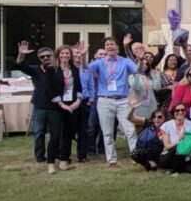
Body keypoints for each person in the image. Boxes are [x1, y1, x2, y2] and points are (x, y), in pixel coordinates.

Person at [87, 37, 140, 168]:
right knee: (107, 132)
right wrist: (83, 55)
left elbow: (138, 71)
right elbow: (85, 69)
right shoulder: (99, 62)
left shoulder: (125, 61)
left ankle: (136, 156)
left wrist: (139, 57)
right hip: (105, 100)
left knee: (130, 130)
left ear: (117, 47)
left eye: (112, 44)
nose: (110, 46)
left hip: (123, 100)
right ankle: (112, 160)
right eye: (107, 45)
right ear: (105, 48)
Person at [9, 41, 59, 166]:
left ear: (53, 55)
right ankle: (40, 156)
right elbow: (20, 64)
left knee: (56, 133)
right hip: (40, 106)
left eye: (48, 55)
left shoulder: (59, 69)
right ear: (39, 58)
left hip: (56, 106)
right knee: (39, 133)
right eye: (42, 57)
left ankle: (56, 154)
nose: (46, 58)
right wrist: (21, 54)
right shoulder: (35, 70)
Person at [47, 45, 82, 173]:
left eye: (67, 53)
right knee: (55, 135)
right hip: (57, 106)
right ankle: (50, 163)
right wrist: (62, 104)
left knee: (68, 134)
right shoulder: (52, 70)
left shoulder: (74, 69)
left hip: (72, 105)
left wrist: (78, 101)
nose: (65, 56)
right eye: (62, 53)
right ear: (58, 55)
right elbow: (49, 90)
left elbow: (78, 87)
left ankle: (63, 161)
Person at [160, 104, 191, 174]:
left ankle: (178, 168)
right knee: (177, 148)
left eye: (182, 110)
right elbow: (167, 146)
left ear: (185, 112)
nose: (180, 112)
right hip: (170, 154)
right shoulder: (166, 125)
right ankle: (176, 170)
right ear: (173, 112)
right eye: (177, 110)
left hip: (186, 155)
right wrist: (179, 141)